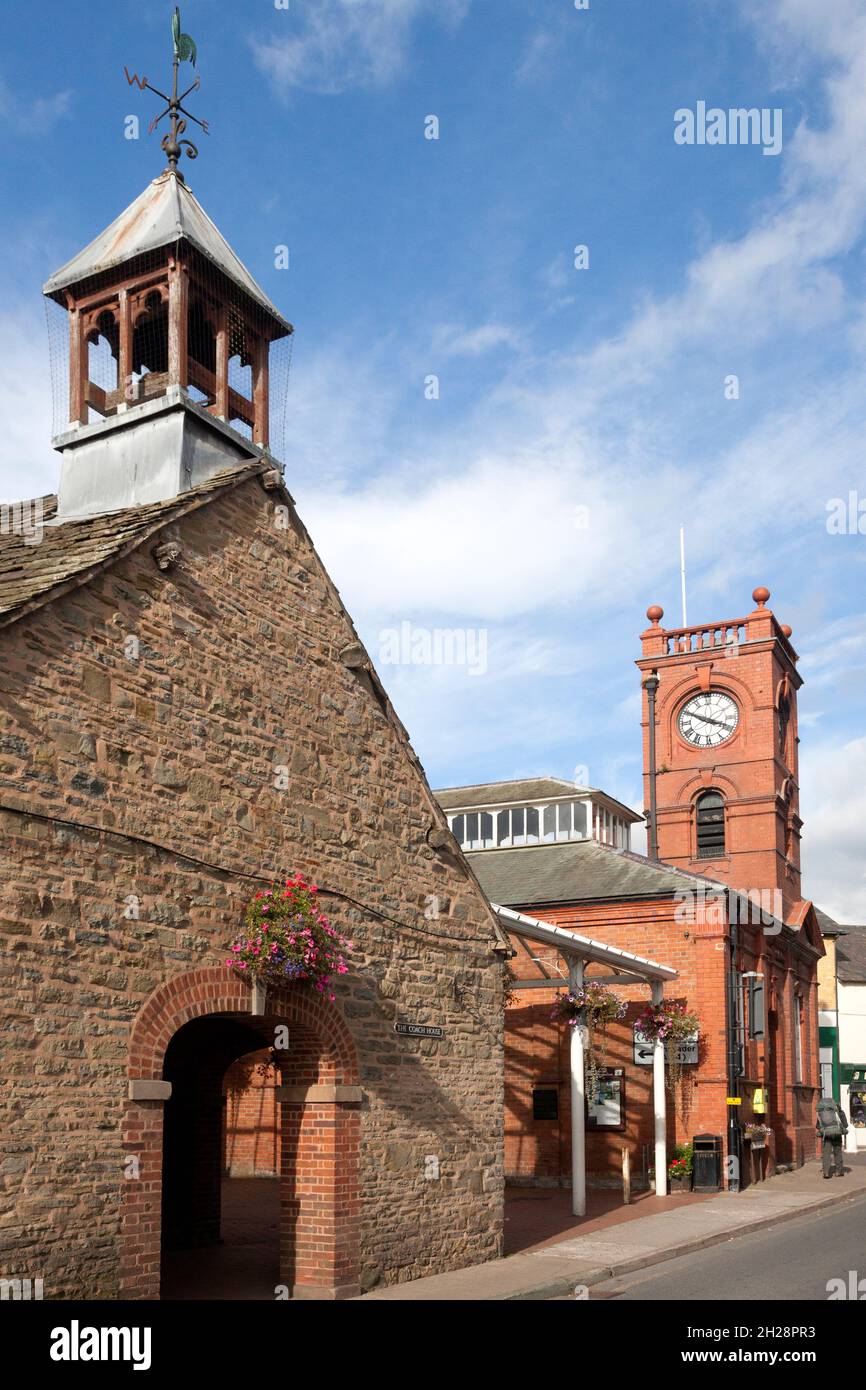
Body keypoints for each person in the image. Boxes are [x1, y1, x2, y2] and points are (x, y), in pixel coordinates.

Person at [816, 1096, 848, 1178]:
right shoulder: (839, 1112)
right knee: (837, 1153)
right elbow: (845, 1125)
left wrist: (825, 1129)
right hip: (837, 1135)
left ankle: (826, 1172)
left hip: (826, 1135)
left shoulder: (821, 1112)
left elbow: (818, 1126)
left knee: (826, 1153)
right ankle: (838, 1171)